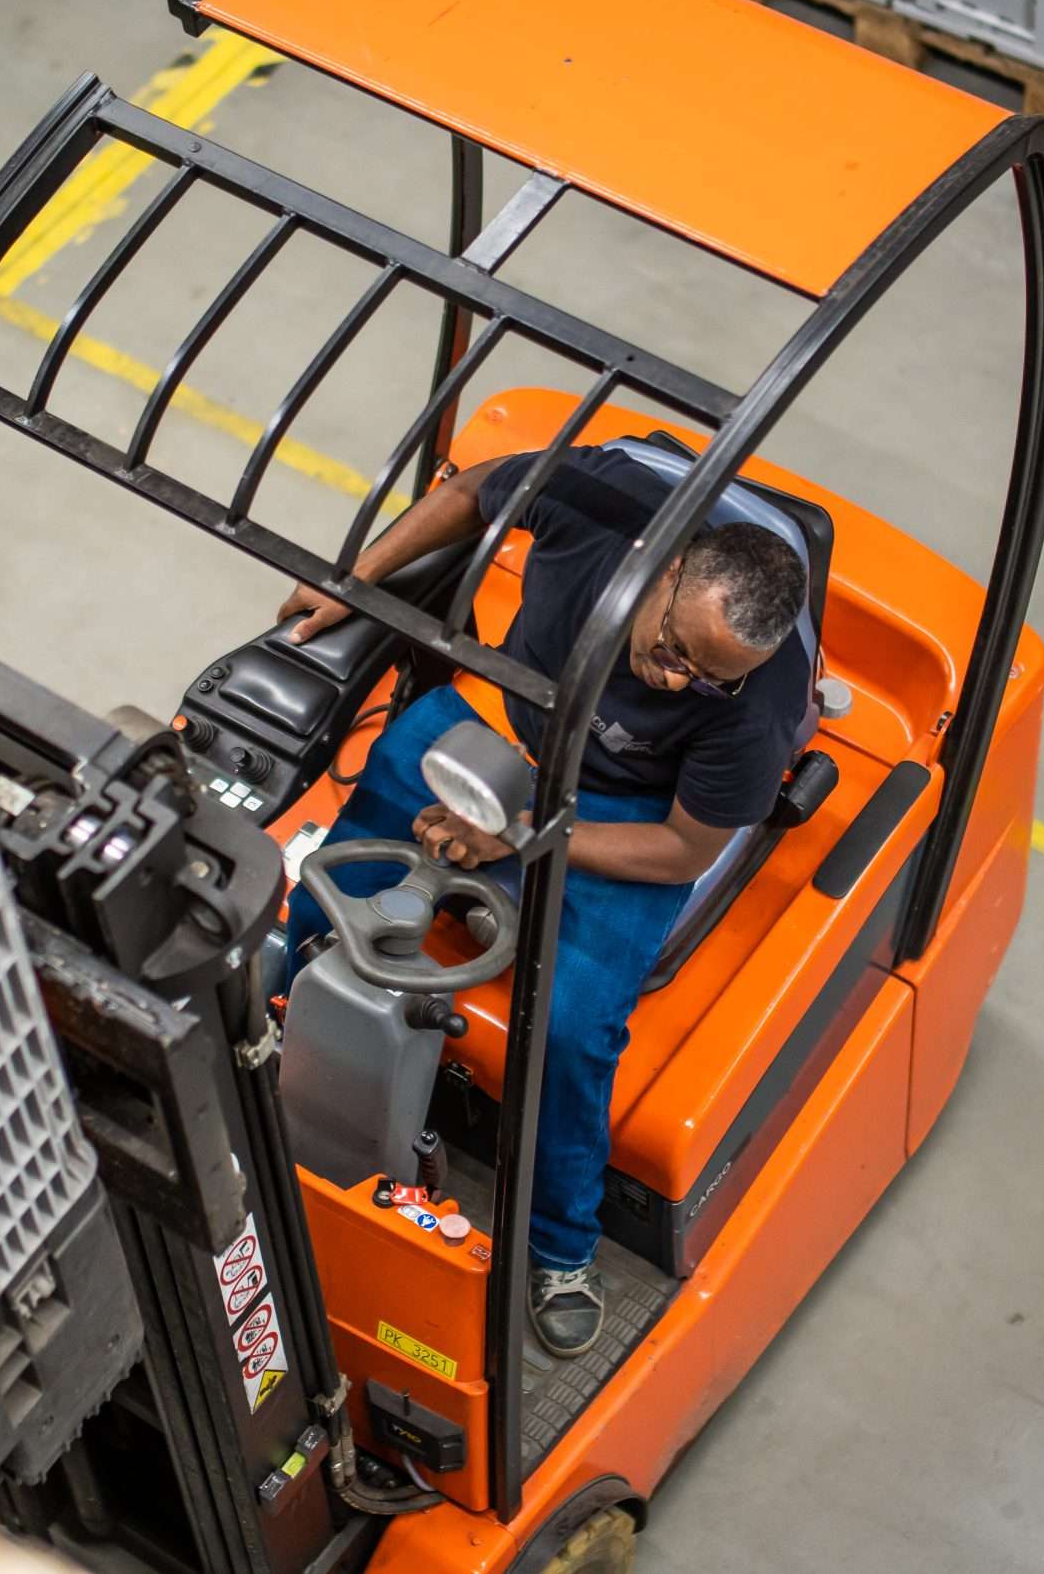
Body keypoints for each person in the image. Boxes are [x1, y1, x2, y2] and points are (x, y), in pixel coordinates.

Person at [275, 439, 810, 1358]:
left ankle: (561, 1246)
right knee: (337, 881)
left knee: (569, 1026)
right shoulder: (599, 503)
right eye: (676, 649)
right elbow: (476, 493)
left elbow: (683, 846)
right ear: (668, 566)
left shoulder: (757, 701)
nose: (680, 680)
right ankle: (271, 1041)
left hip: (621, 811)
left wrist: (522, 840)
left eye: (707, 676)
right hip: (509, 719)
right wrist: (353, 579)